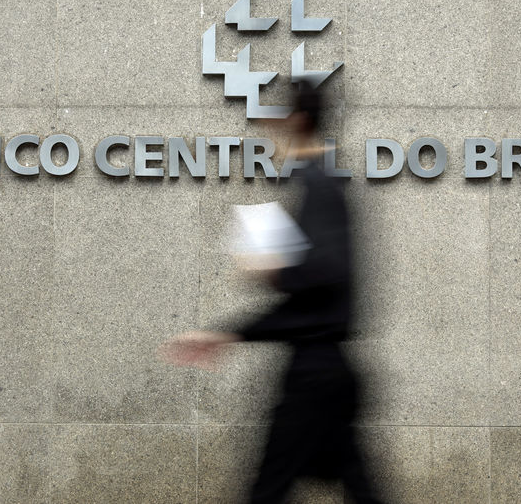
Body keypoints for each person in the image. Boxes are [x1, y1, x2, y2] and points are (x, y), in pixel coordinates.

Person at [162, 82, 382, 504]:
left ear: (297, 121)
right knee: (355, 488)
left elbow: (327, 276)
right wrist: (229, 333)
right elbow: (321, 292)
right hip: (326, 370)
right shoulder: (320, 184)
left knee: (268, 490)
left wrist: (276, 271)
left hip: (314, 375)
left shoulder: (318, 184)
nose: (271, 135)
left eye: (278, 122)